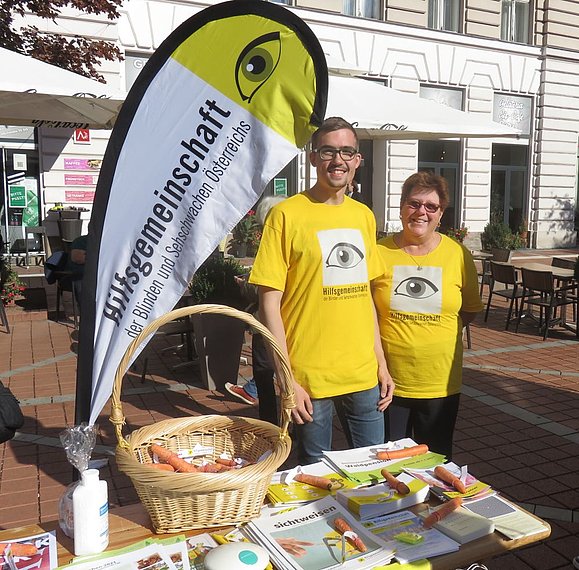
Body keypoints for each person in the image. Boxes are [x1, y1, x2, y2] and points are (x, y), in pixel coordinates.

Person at [249, 116, 394, 464]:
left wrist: (381, 363)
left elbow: (366, 299)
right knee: (316, 479)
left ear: (358, 160)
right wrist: (286, 377)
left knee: (374, 471)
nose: (338, 160)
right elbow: (269, 304)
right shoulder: (286, 215)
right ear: (313, 158)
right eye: (328, 151)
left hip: (362, 376)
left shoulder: (363, 216)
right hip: (309, 379)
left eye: (347, 151)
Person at [372, 171, 483, 459]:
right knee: (385, 463)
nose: (421, 212)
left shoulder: (458, 255)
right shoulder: (379, 252)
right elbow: (366, 311)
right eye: (414, 203)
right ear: (401, 208)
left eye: (431, 206)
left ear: (440, 213)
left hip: (439, 383)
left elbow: (469, 310)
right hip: (388, 382)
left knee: (434, 465)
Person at [225, 197, 285, 425]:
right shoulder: (294, 240)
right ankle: (295, 428)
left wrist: (244, 284)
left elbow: (261, 289)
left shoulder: (270, 246)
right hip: (293, 321)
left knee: (264, 374)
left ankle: (268, 424)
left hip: (267, 324)